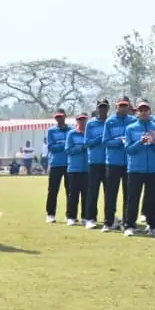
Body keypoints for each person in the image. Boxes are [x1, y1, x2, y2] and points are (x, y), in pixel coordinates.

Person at [123, 99, 155, 236]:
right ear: (137, 113)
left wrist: (154, 142)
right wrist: (140, 142)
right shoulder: (130, 128)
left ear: (150, 112)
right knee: (133, 198)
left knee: (152, 199)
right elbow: (128, 149)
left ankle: (152, 225)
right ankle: (129, 225)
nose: (144, 112)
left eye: (146, 110)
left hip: (154, 169)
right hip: (135, 169)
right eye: (141, 110)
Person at [101, 98, 134, 232]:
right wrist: (119, 142)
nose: (123, 108)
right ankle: (108, 222)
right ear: (116, 107)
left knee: (129, 194)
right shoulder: (110, 121)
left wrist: (128, 142)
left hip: (129, 163)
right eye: (121, 106)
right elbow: (105, 141)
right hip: (113, 162)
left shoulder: (133, 121)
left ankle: (127, 222)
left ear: (128, 107)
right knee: (111, 193)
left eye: (125, 106)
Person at [84, 100, 110, 229]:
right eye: (100, 107)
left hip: (108, 162)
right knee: (92, 191)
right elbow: (87, 143)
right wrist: (100, 139)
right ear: (97, 109)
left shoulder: (111, 122)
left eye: (105, 107)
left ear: (108, 108)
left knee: (109, 193)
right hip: (94, 162)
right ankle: (90, 218)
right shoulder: (91, 124)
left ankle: (109, 218)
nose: (103, 110)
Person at [64, 113, 90, 225]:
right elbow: (68, 149)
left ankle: (85, 217)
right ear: (77, 121)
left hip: (87, 168)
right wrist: (80, 148)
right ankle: (71, 217)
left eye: (84, 119)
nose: (82, 121)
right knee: (73, 194)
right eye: (80, 119)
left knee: (86, 194)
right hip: (74, 168)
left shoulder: (89, 133)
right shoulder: (72, 134)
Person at [43, 110, 70, 222]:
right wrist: (65, 145)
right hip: (55, 164)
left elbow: (72, 145)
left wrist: (61, 145)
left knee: (70, 191)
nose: (59, 119)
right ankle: (50, 214)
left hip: (69, 164)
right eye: (57, 117)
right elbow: (51, 147)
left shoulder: (71, 130)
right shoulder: (51, 131)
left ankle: (70, 215)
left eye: (61, 116)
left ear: (65, 116)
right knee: (53, 190)